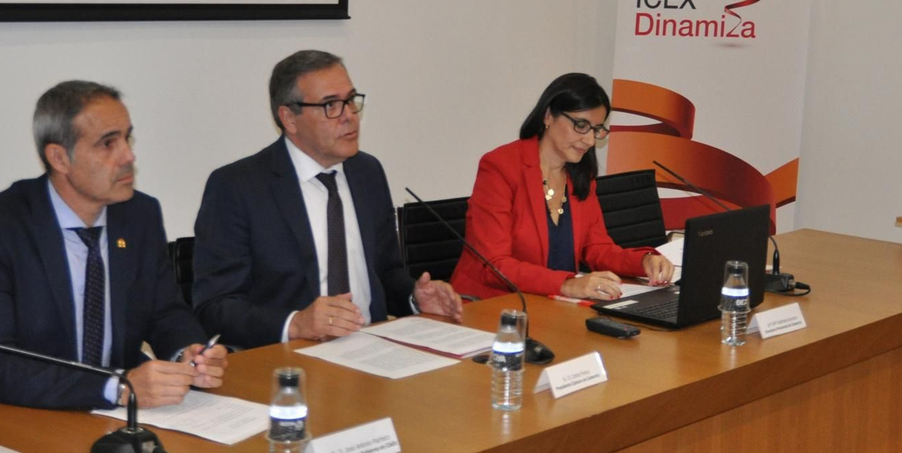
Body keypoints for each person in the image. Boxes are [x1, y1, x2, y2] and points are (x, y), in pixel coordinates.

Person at [0, 81, 227, 410]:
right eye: (108, 143)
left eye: (127, 137)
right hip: (15, 416)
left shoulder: (139, 214)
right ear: (59, 158)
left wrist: (189, 354)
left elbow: (164, 312)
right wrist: (117, 387)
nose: (128, 156)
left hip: (114, 419)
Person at [192, 50, 463, 349]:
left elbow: (385, 272)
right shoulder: (238, 187)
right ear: (289, 119)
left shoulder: (367, 172)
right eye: (330, 105)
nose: (349, 115)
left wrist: (414, 297)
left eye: (350, 100)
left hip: (374, 349)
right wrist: (295, 323)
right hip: (288, 359)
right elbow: (215, 307)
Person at [451, 73, 675, 300]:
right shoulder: (501, 167)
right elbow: (494, 265)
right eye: (581, 125)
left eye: (596, 129)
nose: (589, 141)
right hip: (490, 307)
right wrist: (568, 284)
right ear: (548, 115)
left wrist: (643, 260)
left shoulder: (580, 174)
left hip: (552, 307)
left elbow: (596, 247)